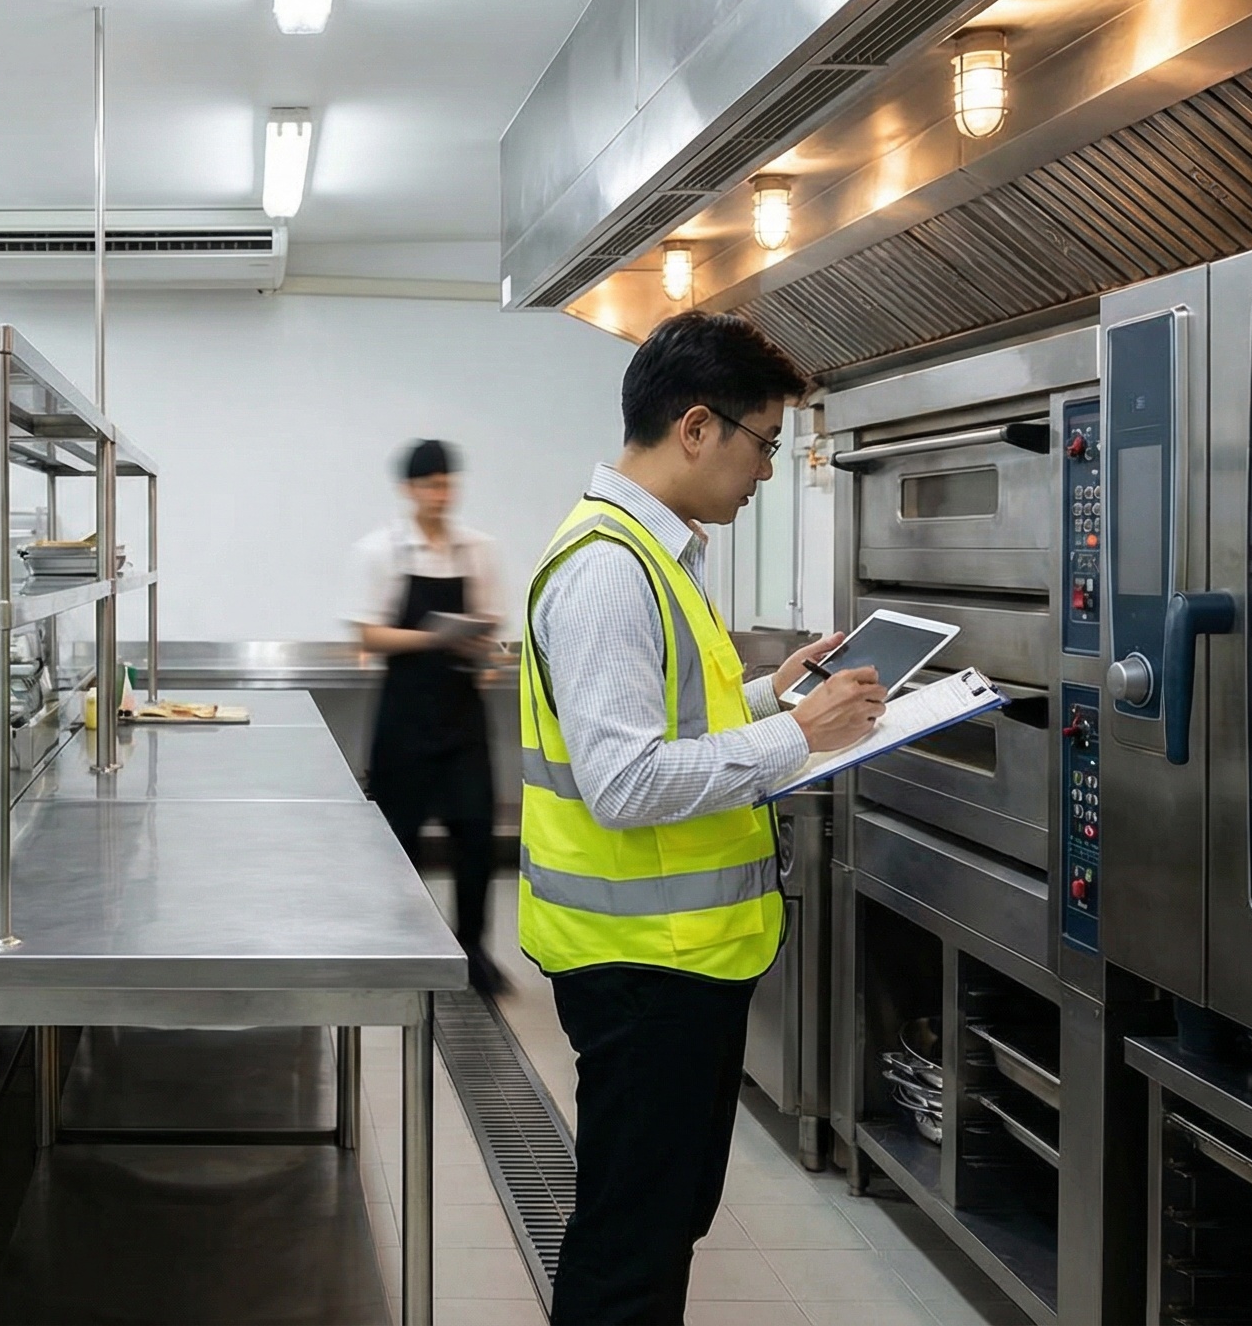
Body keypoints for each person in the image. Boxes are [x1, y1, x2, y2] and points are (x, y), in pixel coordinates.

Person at [519, 313, 886, 1323]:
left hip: (676, 959)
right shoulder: (609, 569)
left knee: (658, 1220)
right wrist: (799, 736)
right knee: (630, 1247)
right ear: (694, 428)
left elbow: (677, 721)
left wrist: (775, 695)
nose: (767, 469)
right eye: (763, 441)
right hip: (645, 965)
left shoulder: (653, 554)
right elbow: (625, 782)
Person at [349, 438, 509, 996]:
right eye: (429, 485)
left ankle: (474, 952)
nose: (440, 495)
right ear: (409, 490)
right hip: (404, 717)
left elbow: (490, 622)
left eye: (446, 484)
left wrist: (478, 648)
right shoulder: (382, 550)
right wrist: (432, 638)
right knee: (400, 840)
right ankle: (403, 948)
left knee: (475, 833)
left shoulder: (477, 549)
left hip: (462, 716)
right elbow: (368, 634)